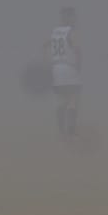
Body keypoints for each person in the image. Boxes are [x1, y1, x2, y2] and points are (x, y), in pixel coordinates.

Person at [47, 7, 81, 142]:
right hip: (69, 68)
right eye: (73, 16)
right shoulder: (71, 32)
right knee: (73, 100)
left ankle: (61, 132)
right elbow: (77, 50)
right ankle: (71, 133)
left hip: (56, 68)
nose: (75, 19)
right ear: (69, 17)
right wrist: (79, 66)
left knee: (61, 101)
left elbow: (48, 50)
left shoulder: (54, 32)